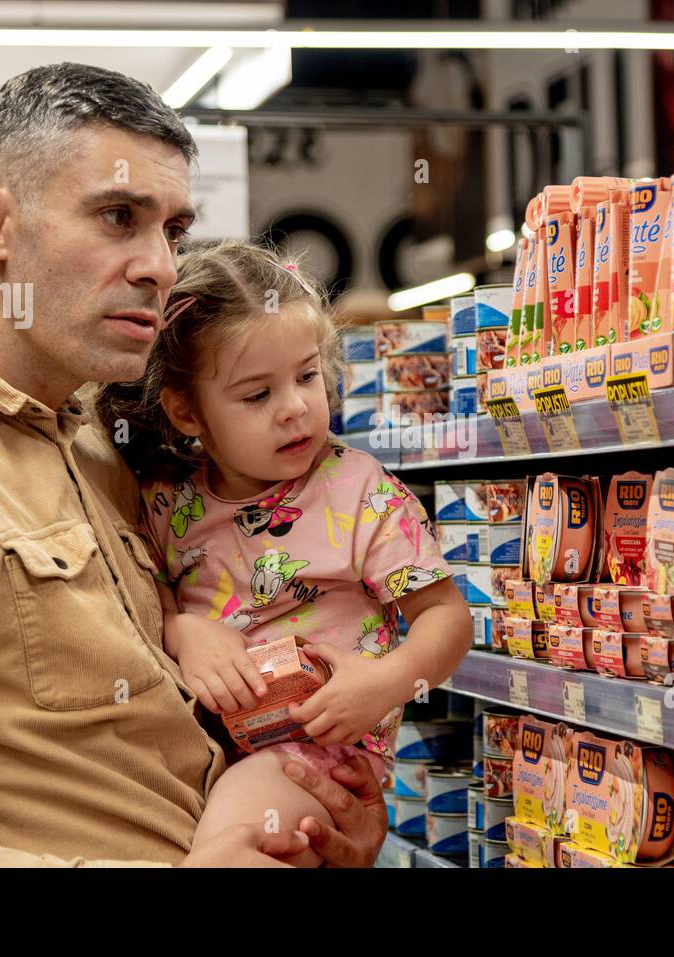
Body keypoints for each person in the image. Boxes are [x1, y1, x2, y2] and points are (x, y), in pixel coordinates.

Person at [0, 62, 387, 867]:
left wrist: (316, 812)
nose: (160, 267)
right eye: (118, 217)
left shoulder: (97, 445)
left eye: (171, 231)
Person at [96, 241, 472, 867]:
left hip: (314, 745)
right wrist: (183, 629)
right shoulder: (168, 503)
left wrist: (383, 683)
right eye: (256, 395)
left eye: (306, 376)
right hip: (204, 741)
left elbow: (446, 617)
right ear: (188, 413)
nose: (295, 407)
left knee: (234, 845)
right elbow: (150, 583)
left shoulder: (359, 493)